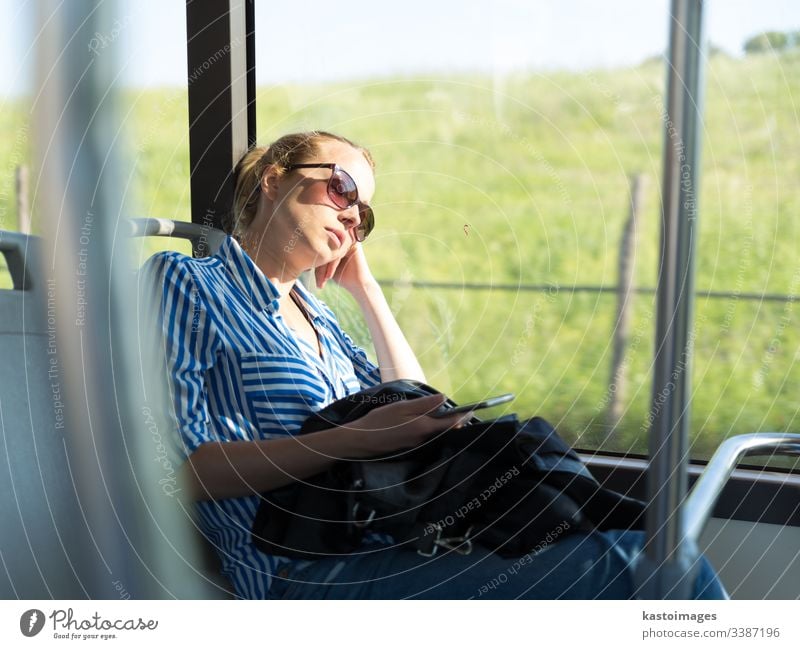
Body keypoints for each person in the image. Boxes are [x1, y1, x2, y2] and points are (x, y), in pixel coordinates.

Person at [146, 130, 726, 600]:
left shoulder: (316, 315)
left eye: (364, 216)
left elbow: (411, 399)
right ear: (274, 180)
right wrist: (352, 441)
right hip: (301, 569)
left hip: (395, 533)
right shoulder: (188, 284)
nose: (352, 218)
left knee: (646, 544)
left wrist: (366, 290)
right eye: (342, 190)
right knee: (643, 569)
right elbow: (181, 475)